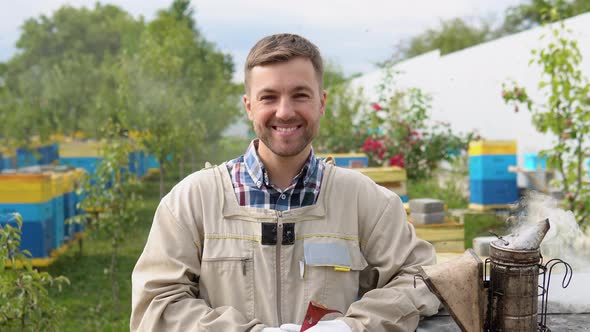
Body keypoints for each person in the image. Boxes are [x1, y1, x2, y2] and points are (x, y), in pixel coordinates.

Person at [131, 33, 440, 332]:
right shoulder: (191, 201)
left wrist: (351, 328)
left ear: (321, 102)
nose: (285, 111)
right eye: (268, 97)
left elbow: (420, 279)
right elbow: (158, 304)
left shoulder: (366, 201)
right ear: (249, 105)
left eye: (300, 95)